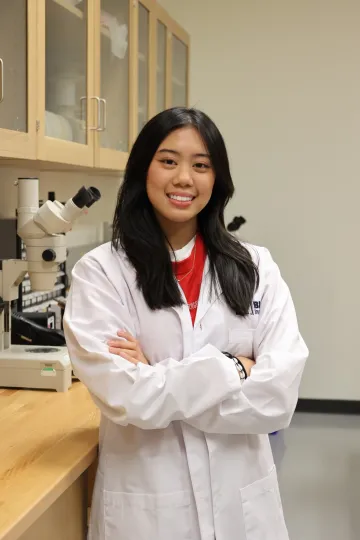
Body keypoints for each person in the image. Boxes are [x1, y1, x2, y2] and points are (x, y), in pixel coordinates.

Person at [64, 107, 308, 540]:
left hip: (241, 507)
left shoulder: (256, 267)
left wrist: (157, 378)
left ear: (217, 180)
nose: (184, 179)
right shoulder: (100, 273)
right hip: (150, 509)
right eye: (168, 161)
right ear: (143, 169)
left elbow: (277, 399)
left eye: (201, 165)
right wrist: (234, 368)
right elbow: (126, 399)